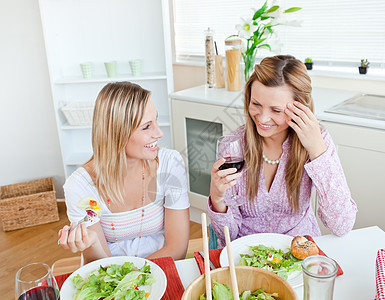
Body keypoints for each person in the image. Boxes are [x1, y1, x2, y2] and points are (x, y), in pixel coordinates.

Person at [209, 55, 358, 247]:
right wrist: (218, 198)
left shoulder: (317, 142)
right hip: (246, 253)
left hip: (298, 252)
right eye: (256, 104)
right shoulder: (234, 146)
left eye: (276, 110)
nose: (262, 118)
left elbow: (342, 224)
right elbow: (228, 235)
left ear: (300, 108)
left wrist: (317, 151)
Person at [58, 82, 190, 263]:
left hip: (162, 266)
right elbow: (99, 265)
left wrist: (136, 277)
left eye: (156, 121)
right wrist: (93, 242)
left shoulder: (170, 164)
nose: (159, 133)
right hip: (113, 279)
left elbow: (177, 248)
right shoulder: (81, 186)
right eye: (146, 127)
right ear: (116, 133)